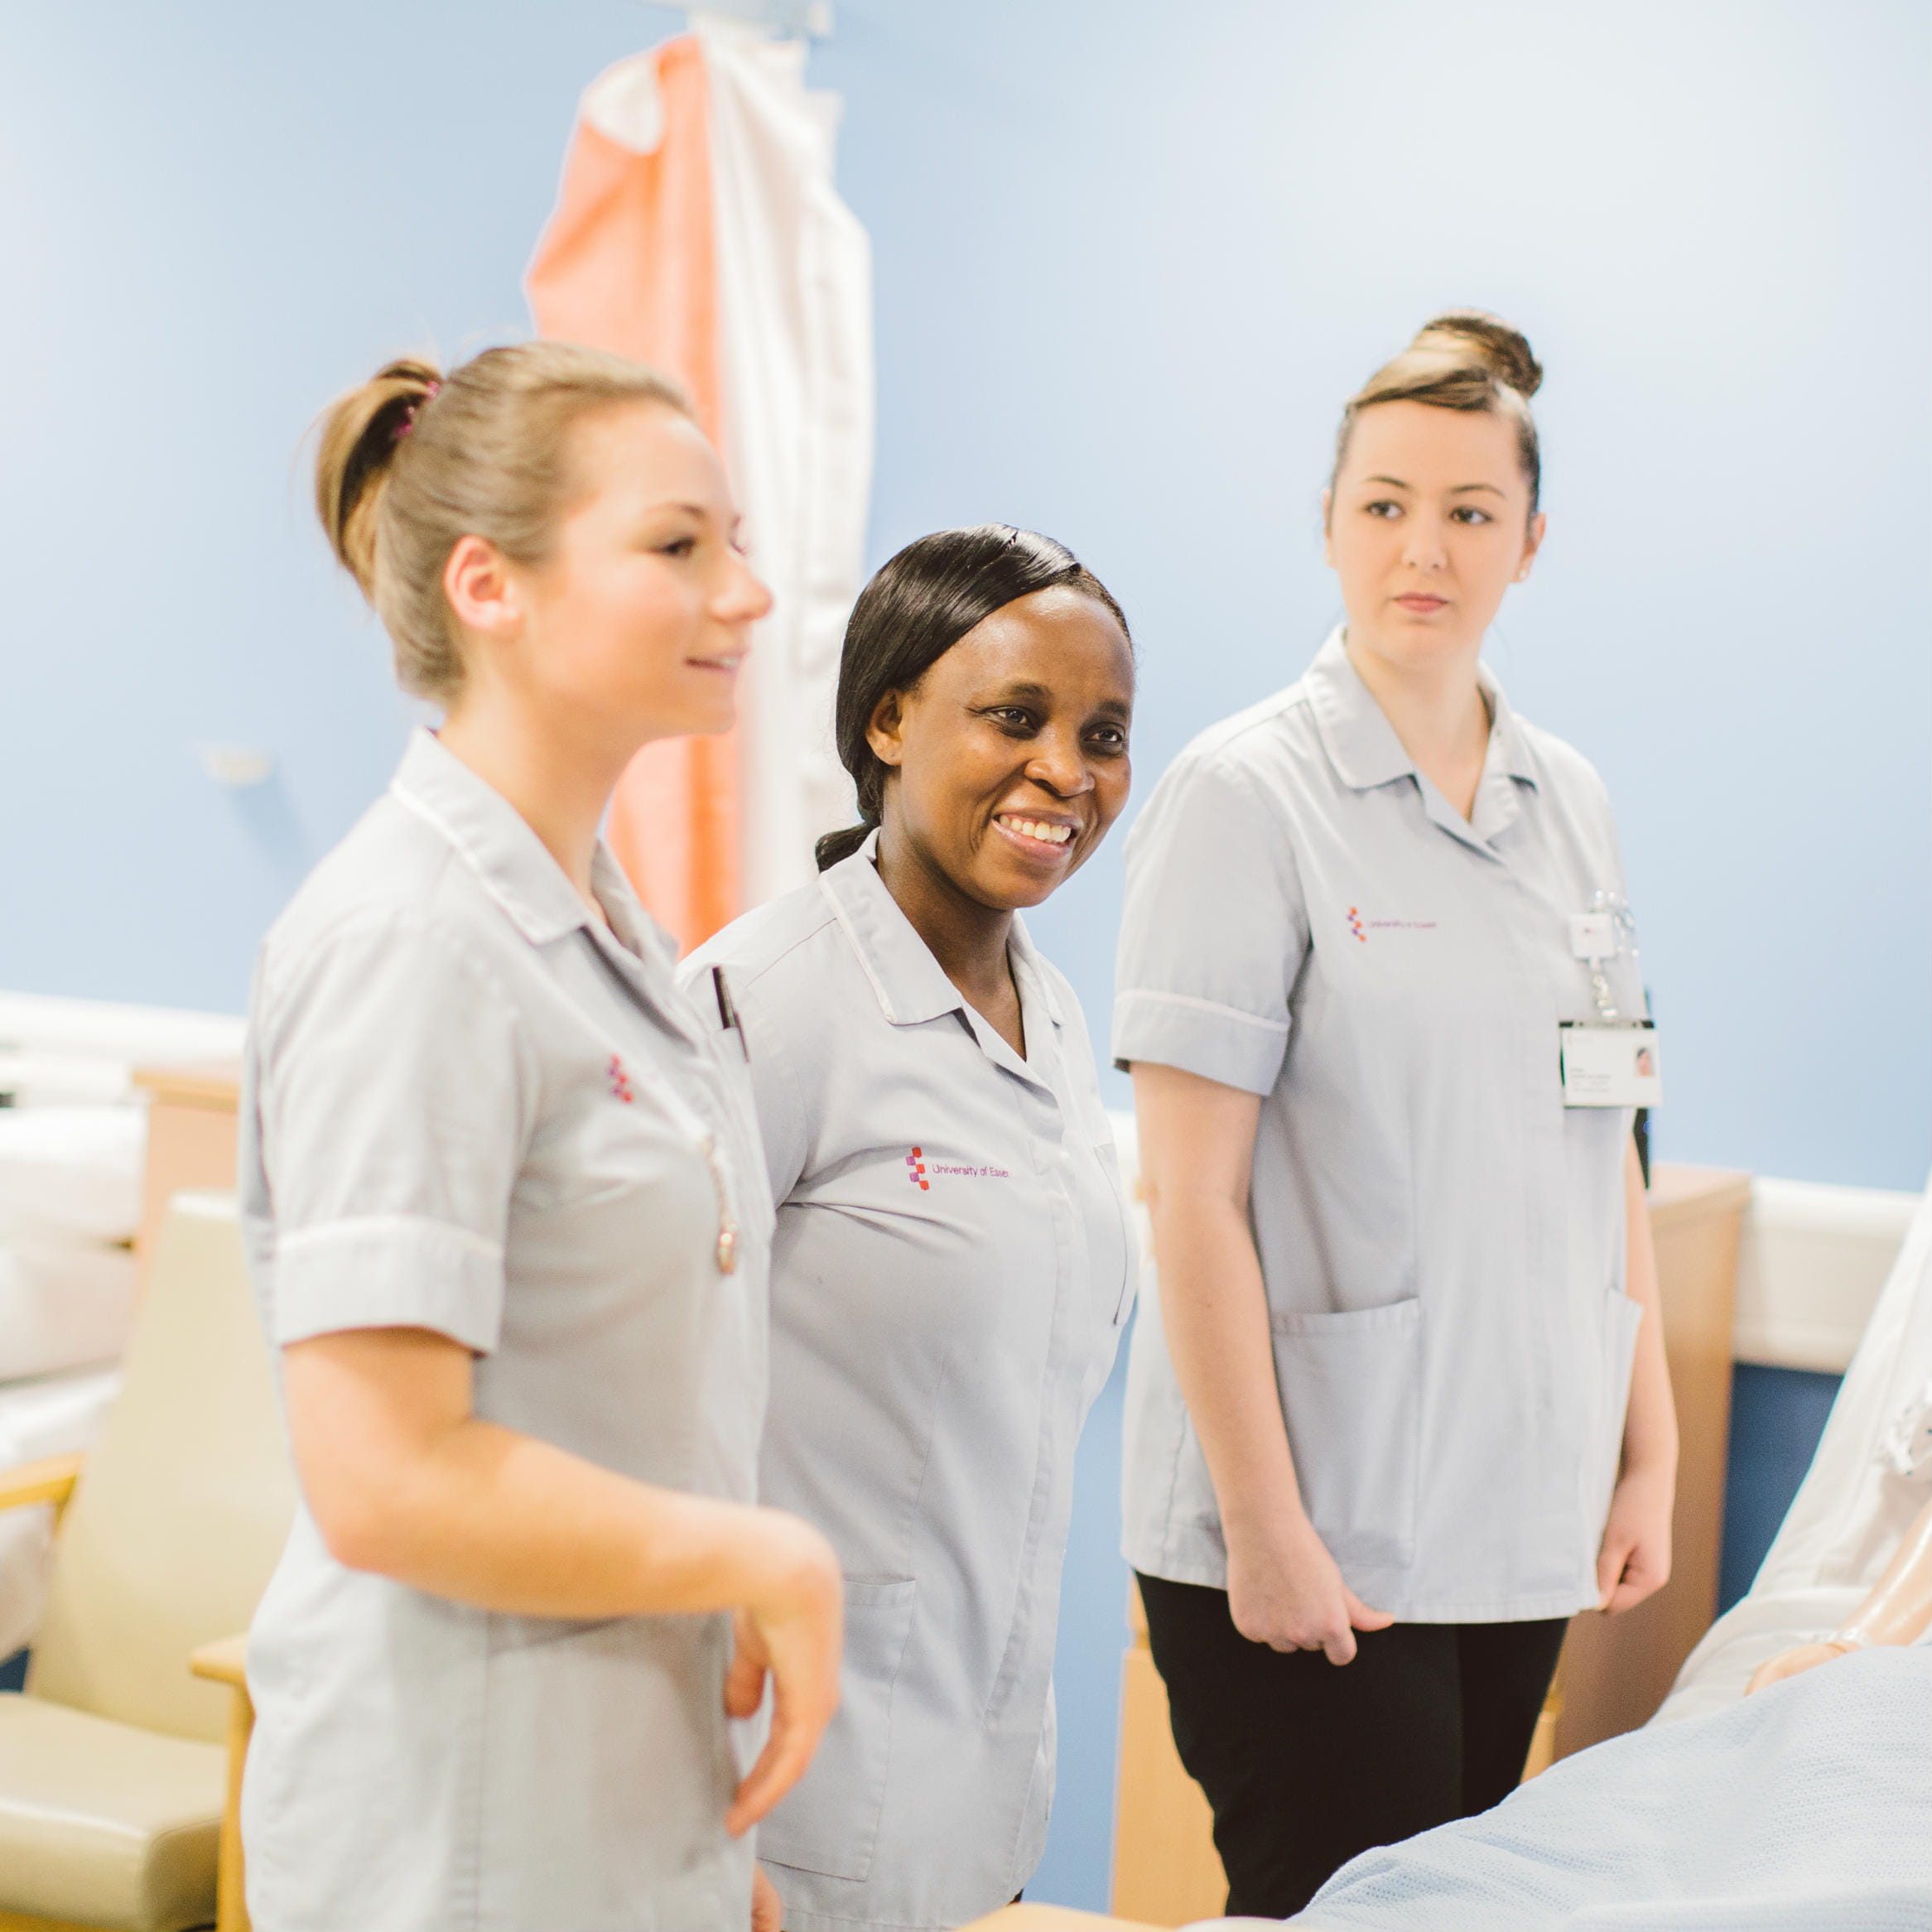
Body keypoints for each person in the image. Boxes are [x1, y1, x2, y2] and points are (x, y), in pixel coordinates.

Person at [239, 343, 841, 1932]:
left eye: (736, 542)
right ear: (489, 585)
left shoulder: (601, 936)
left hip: (611, 1820)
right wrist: (762, 1555)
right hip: (451, 1842)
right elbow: (384, 1476)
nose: (748, 595)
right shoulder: (410, 941)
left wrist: (690, 1852)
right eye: (678, 545)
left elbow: (609, 1417)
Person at [1113, 313, 1678, 1916]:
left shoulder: (1572, 804)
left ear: (1530, 542)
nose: (1421, 547)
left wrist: (1648, 1447)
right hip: (1315, 1530)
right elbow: (1191, 1202)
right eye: (1382, 504)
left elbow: (1607, 1133)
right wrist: (1263, 1527)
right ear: (1329, 521)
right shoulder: (1246, 798)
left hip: (1517, 1516)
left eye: (1469, 511)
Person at [682, 526, 1139, 1932]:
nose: (1064, 769)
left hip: (984, 1781)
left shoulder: (1053, 1016)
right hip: (774, 1793)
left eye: (1102, 732)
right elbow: (635, 1419)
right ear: (886, 721)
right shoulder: (760, 1005)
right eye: (1014, 718)